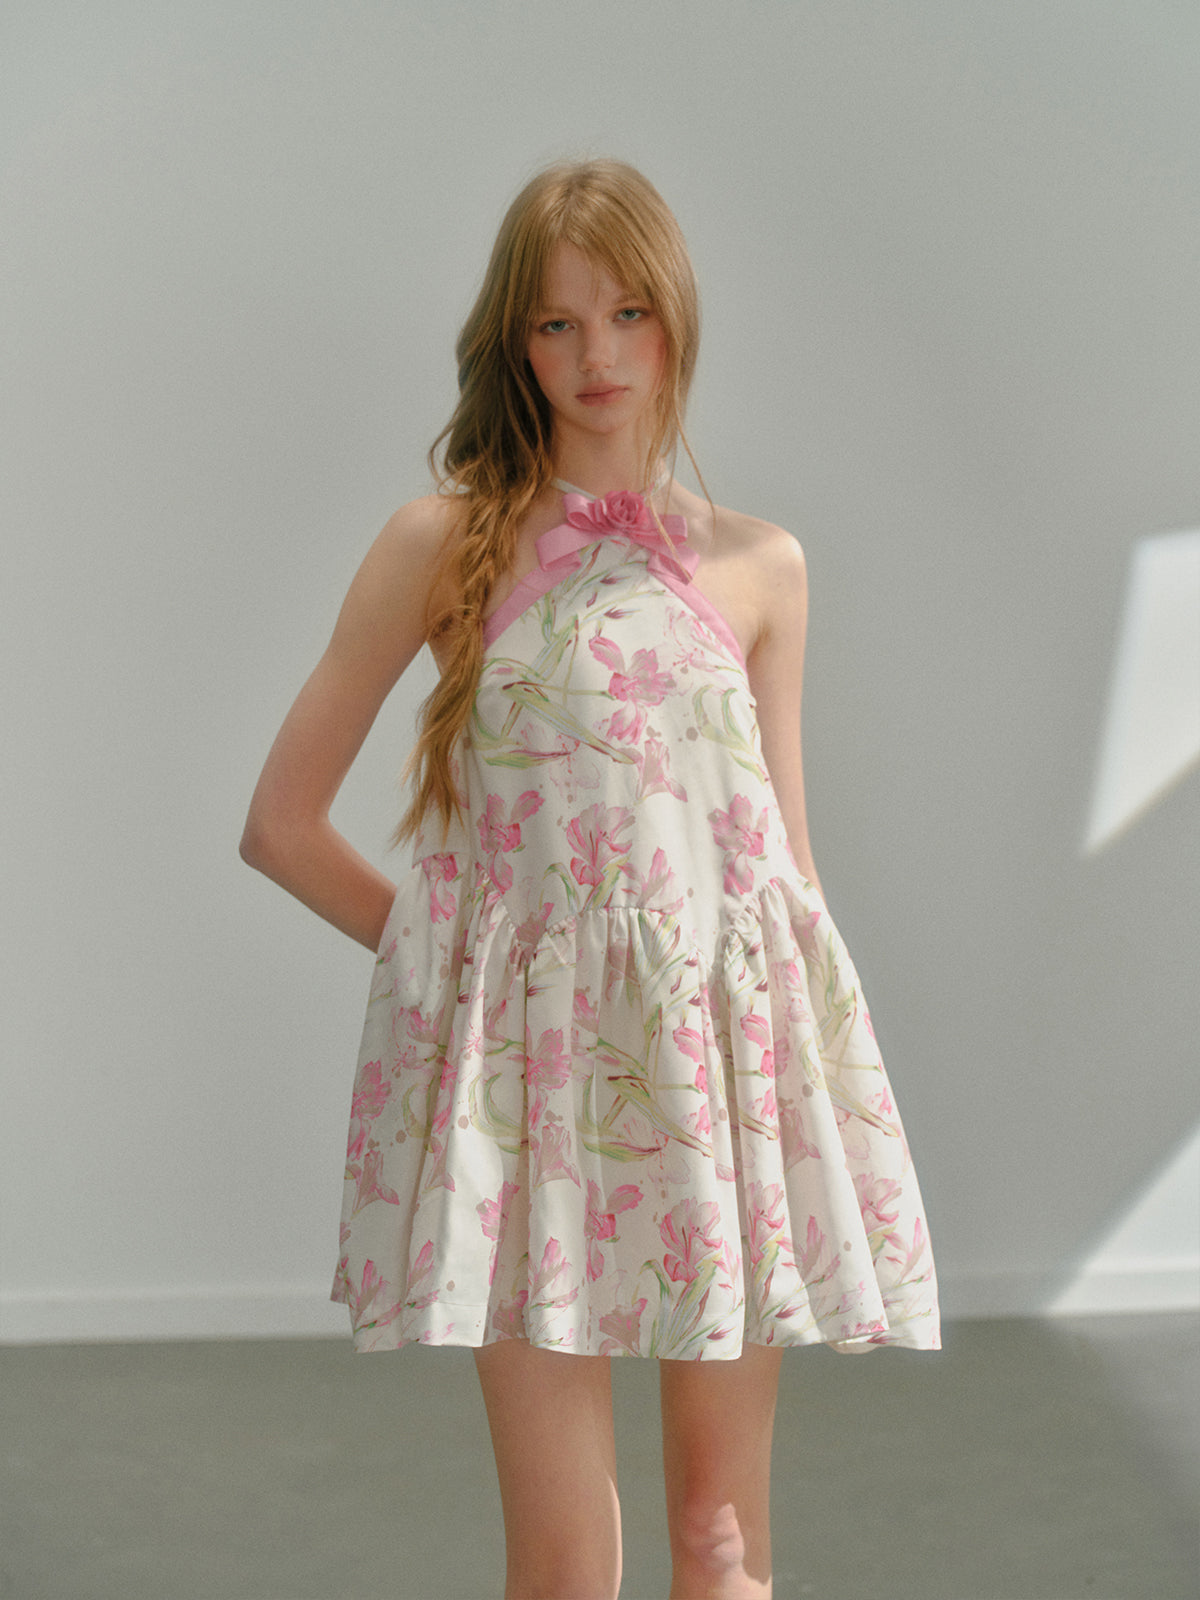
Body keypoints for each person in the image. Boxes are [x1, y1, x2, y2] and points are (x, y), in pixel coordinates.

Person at [241, 158, 940, 1600]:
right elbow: (281, 824)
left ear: (676, 320)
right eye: (557, 324)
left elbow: (781, 867)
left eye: (628, 314)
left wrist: (827, 1098)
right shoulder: (439, 544)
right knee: (565, 1565)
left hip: (714, 1085)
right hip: (533, 1095)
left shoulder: (762, 564)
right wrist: (461, 983)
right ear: (515, 342)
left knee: (720, 1538)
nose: (597, 355)